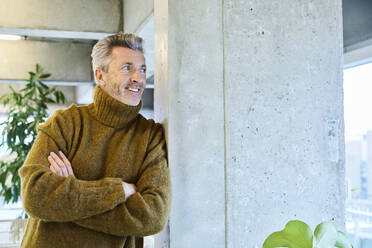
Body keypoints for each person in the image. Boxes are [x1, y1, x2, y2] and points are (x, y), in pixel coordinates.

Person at [18, 32, 171, 248]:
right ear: (100, 76)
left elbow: (153, 216)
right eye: (127, 68)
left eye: (143, 69)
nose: (139, 78)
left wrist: (69, 199)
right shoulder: (64, 123)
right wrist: (119, 191)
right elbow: (35, 195)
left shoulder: (150, 136)